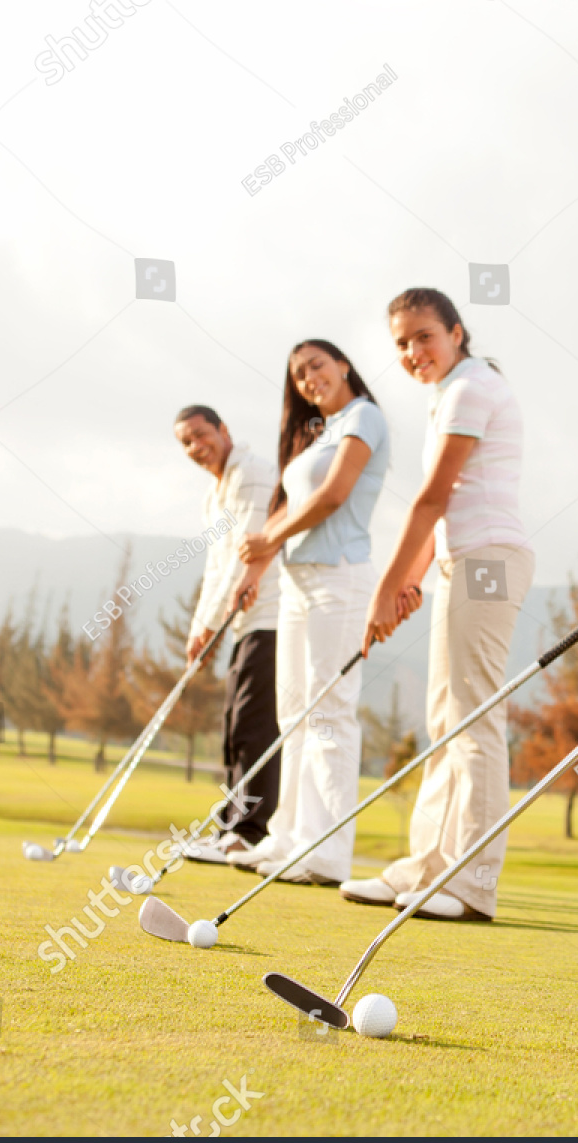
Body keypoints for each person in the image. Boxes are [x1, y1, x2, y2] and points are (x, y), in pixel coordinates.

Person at [340, 288, 533, 922]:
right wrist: (410, 583)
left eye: (423, 336)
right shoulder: (450, 392)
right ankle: (425, 868)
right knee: (445, 718)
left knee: (472, 714)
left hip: (487, 563)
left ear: (455, 332)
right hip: (461, 560)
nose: (412, 351)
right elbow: (441, 512)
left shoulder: (470, 387)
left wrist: (383, 590)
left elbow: (431, 498)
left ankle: (472, 883)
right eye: (400, 343)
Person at [230, 340, 389, 885]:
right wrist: (257, 566)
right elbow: (293, 506)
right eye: (298, 374)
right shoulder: (316, 434)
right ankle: (289, 837)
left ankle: (326, 851)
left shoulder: (363, 416)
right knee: (292, 714)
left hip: (339, 578)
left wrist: (266, 538)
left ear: (344, 364)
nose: (308, 379)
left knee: (328, 712)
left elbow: (331, 497)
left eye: (316, 365)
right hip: (297, 582)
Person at [171, 404, 281, 863]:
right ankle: (231, 828)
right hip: (242, 619)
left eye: (201, 435)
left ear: (224, 430)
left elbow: (244, 555)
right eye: (187, 443)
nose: (197, 447)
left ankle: (250, 832)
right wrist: (201, 626)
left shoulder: (253, 473)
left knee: (255, 726)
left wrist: (211, 623)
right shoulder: (214, 495)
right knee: (235, 726)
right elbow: (216, 566)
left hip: (272, 613)